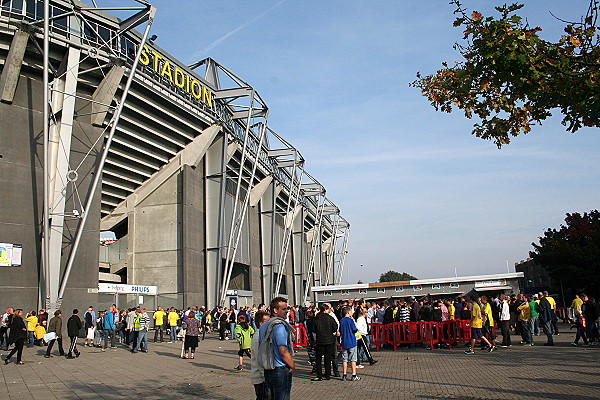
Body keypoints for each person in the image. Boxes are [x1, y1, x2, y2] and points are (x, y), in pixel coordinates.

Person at [258, 297, 295, 400]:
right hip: (280, 369)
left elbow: (260, 347)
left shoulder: (264, 326)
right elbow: (283, 351)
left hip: (268, 368)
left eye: (287, 308)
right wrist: (292, 365)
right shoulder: (279, 327)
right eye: (283, 309)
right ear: (275, 310)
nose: (287, 311)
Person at [311, 303, 338, 381]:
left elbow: (313, 328)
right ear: (326, 310)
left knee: (318, 359)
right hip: (329, 340)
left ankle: (319, 375)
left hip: (320, 340)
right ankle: (327, 374)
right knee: (328, 358)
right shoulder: (330, 318)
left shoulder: (317, 318)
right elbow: (335, 327)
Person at [251, 311, 270, 400]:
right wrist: (267, 377)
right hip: (261, 379)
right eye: (267, 321)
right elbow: (260, 359)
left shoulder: (264, 335)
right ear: (261, 323)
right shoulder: (258, 337)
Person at [339, 306, 361, 381]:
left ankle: (344, 374)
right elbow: (354, 330)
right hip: (351, 341)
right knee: (353, 359)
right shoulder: (350, 320)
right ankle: (353, 374)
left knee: (344, 359)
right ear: (348, 313)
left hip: (344, 341)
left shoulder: (341, 321)